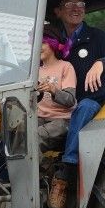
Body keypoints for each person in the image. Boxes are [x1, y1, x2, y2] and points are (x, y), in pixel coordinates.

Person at [49, 0, 105, 208]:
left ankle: (66, 173)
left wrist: (101, 62)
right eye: (70, 5)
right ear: (58, 11)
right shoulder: (53, 42)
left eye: (81, 4)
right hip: (60, 105)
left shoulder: (96, 37)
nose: (77, 9)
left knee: (84, 107)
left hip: (92, 103)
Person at [36, 25, 76, 156]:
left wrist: (54, 90)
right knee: (14, 134)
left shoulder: (65, 67)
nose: (38, 46)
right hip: (38, 118)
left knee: (34, 137)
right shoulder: (35, 71)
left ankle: (38, 174)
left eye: (42, 43)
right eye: (36, 43)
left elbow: (70, 100)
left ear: (53, 43)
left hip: (61, 120)